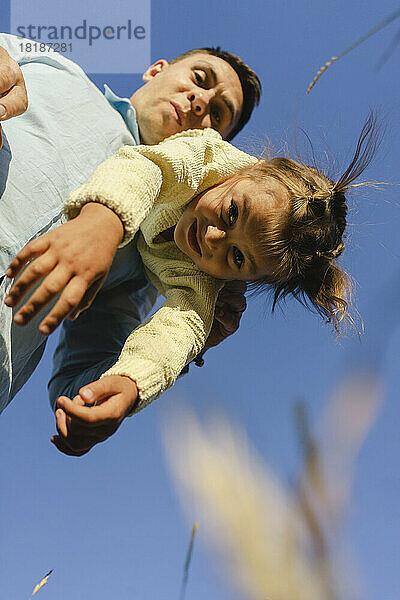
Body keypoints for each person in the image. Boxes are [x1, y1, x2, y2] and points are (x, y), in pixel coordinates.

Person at [3, 112, 379, 456]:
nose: (214, 238)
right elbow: (146, 168)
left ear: (246, 279)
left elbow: (181, 326)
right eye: (232, 212)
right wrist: (102, 223)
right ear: (250, 171)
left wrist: (131, 382)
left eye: (237, 258)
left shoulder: (206, 278)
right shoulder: (205, 155)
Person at [0, 33, 261, 420]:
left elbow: (79, 384)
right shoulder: (55, 65)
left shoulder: (144, 262)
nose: (201, 101)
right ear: (157, 70)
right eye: (200, 79)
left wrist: (180, 349)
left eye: (218, 115)